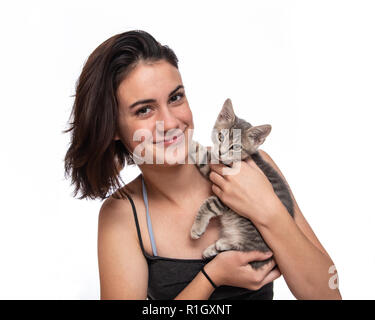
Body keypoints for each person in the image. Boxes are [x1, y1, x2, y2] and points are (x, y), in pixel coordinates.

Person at [64, 30, 342, 300]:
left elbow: (329, 295)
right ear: (111, 126)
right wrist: (212, 277)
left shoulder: (253, 167)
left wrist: (268, 209)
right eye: (144, 110)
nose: (171, 122)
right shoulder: (123, 216)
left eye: (175, 98)